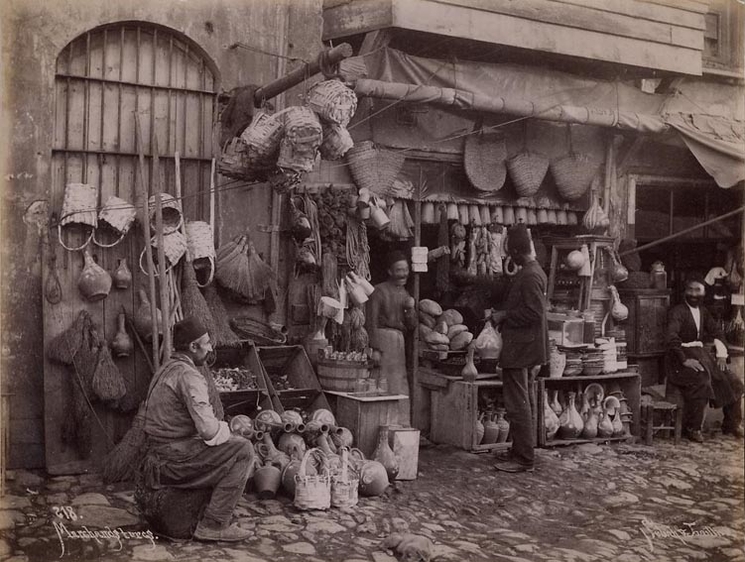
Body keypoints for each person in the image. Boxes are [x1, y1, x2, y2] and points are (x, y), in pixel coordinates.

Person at [140, 317, 255, 542]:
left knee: (229, 449)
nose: (211, 348)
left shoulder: (165, 369)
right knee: (244, 450)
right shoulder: (189, 375)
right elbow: (208, 431)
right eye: (207, 343)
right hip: (173, 461)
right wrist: (226, 429)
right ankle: (214, 523)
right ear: (193, 347)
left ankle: (209, 511)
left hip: (157, 458)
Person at [491, 224, 548, 473]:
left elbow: (534, 313)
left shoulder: (530, 275)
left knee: (518, 403)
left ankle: (524, 458)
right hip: (524, 346)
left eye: (510, 252)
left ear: (515, 252)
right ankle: (520, 450)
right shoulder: (531, 271)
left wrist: (504, 315)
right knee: (523, 401)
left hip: (522, 347)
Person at [666, 278, 744, 442]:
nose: (694, 294)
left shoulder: (704, 311)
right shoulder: (677, 312)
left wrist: (722, 353)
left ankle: (731, 424)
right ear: (685, 292)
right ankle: (693, 428)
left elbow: (717, 332)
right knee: (702, 380)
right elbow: (672, 337)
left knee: (734, 381)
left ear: (704, 293)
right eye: (691, 290)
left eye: (698, 290)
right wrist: (684, 360)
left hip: (703, 356)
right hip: (680, 358)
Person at [366, 251, 418, 425]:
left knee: (399, 383)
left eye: (405, 270)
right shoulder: (378, 291)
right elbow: (371, 322)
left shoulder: (405, 293)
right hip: (383, 343)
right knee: (382, 383)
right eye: (399, 270)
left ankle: (401, 423)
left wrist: (410, 311)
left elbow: (411, 326)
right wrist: (374, 349)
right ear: (390, 271)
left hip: (398, 345)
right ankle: (381, 424)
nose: (403, 274)